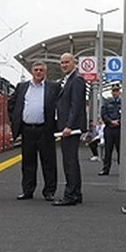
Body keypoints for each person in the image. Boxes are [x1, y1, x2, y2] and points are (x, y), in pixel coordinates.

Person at [8, 61, 59, 201]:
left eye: (41, 70)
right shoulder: (22, 87)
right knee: (28, 162)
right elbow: (11, 103)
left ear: (45, 72)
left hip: (45, 130)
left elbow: (60, 105)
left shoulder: (53, 87)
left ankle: (49, 191)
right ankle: (27, 190)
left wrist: (57, 125)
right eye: (36, 70)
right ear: (32, 71)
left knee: (48, 162)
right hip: (27, 129)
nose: (38, 72)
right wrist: (15, 119)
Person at [53, 53, 87, 206]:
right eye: (62, 63)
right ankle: (76, 193)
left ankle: (70, 195)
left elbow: (76, 105)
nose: (64, 65)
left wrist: (69, 125)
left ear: (74, 62)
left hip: (70, 129)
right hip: (67, 127)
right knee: (71, 160)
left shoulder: (77, 80)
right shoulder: (68, 80)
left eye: (67, 62)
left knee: (70, 162)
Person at [98, 82, 122, 176]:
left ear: (119, 91)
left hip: (119, 129)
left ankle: (122, 169)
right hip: (109, 128)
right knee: (108, 150)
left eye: (117, 90)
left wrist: (118, 122)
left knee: (120, 150)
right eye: (114, 91)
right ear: (111, 92)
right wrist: (111, 122)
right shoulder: (107, 103)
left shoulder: (123, 103)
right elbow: (103, 115)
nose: (115, 92)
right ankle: (105, 169)